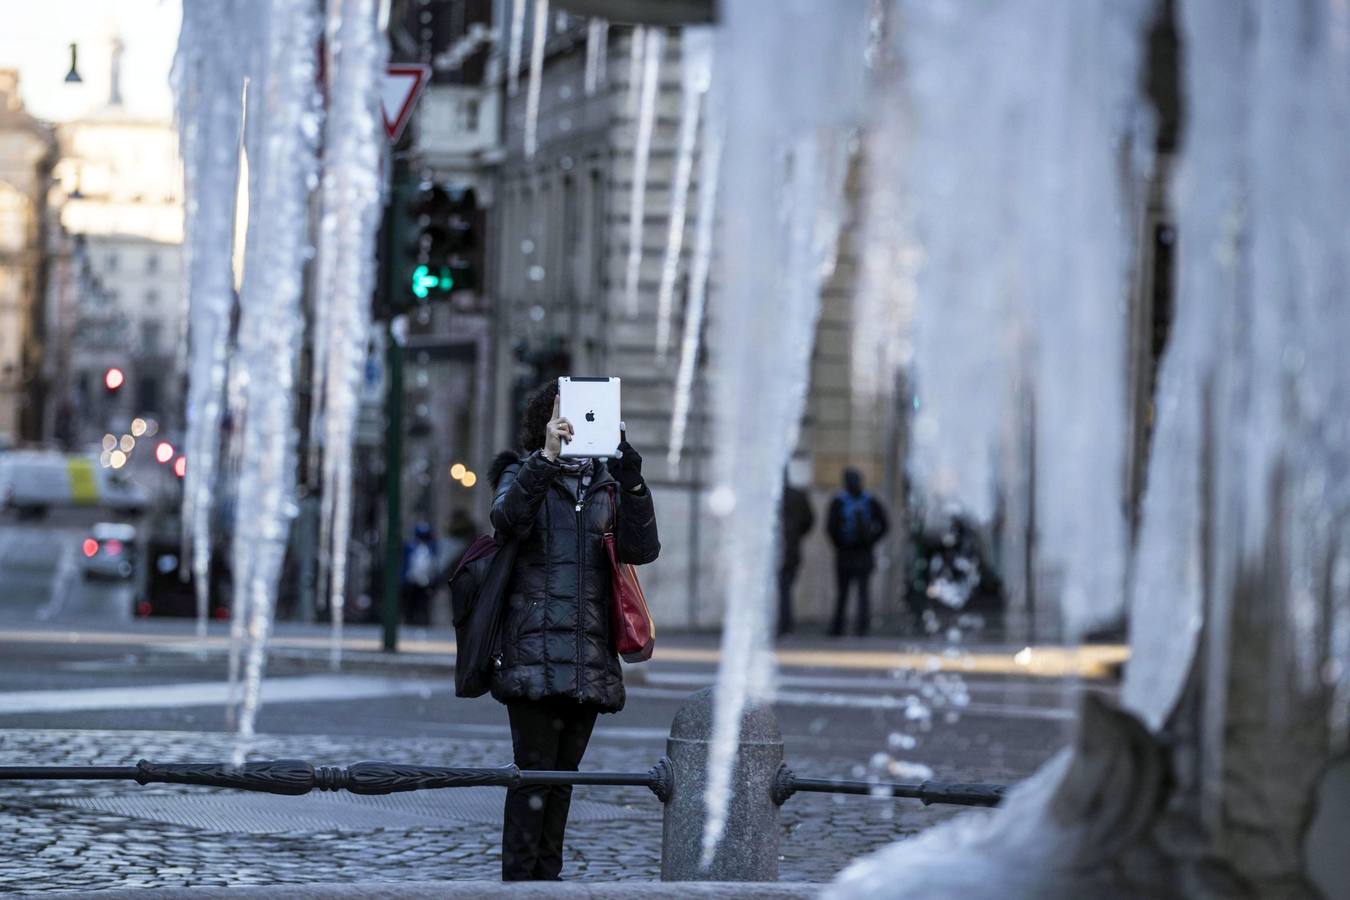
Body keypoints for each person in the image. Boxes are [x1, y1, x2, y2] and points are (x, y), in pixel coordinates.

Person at [488, 381, 660, 881]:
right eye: (569, 413)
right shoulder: (523, 472)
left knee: (562, 783)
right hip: (534, 652)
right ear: (547, 419)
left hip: (587, 655)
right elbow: (506, 520)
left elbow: (642, 550)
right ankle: (520, 884)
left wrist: (632, 481)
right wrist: (546, 455)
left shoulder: (608, 482)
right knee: (532, 780)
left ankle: (549, 884)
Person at [826, 468, 889, 637]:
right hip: (863, 553)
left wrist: (840, 544)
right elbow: (884, 524)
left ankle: (838, 628)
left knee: (843, 593)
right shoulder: (869, 500)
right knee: (863, 593)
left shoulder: (839, 501)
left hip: (846, 554)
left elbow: (830, 528)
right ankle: (862, 628)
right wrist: (871, 541)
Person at [777, 470, 815, 637]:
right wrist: (796, 536)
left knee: (780, 589)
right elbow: (809, 521)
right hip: (791, 550)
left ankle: (780, 624)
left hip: (779, 551)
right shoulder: (798, 496)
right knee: (785, 590)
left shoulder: (769, 496)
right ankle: (786, 625)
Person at [400, 521, 439, 626]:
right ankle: (409, 621)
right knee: (410, 604)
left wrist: (433, 579)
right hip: (411, 580)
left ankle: (424, 622)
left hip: (426, 581)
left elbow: (434, 564)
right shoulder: (410, 546)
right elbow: (405, 563)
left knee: (424, 604)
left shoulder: (431, 547)